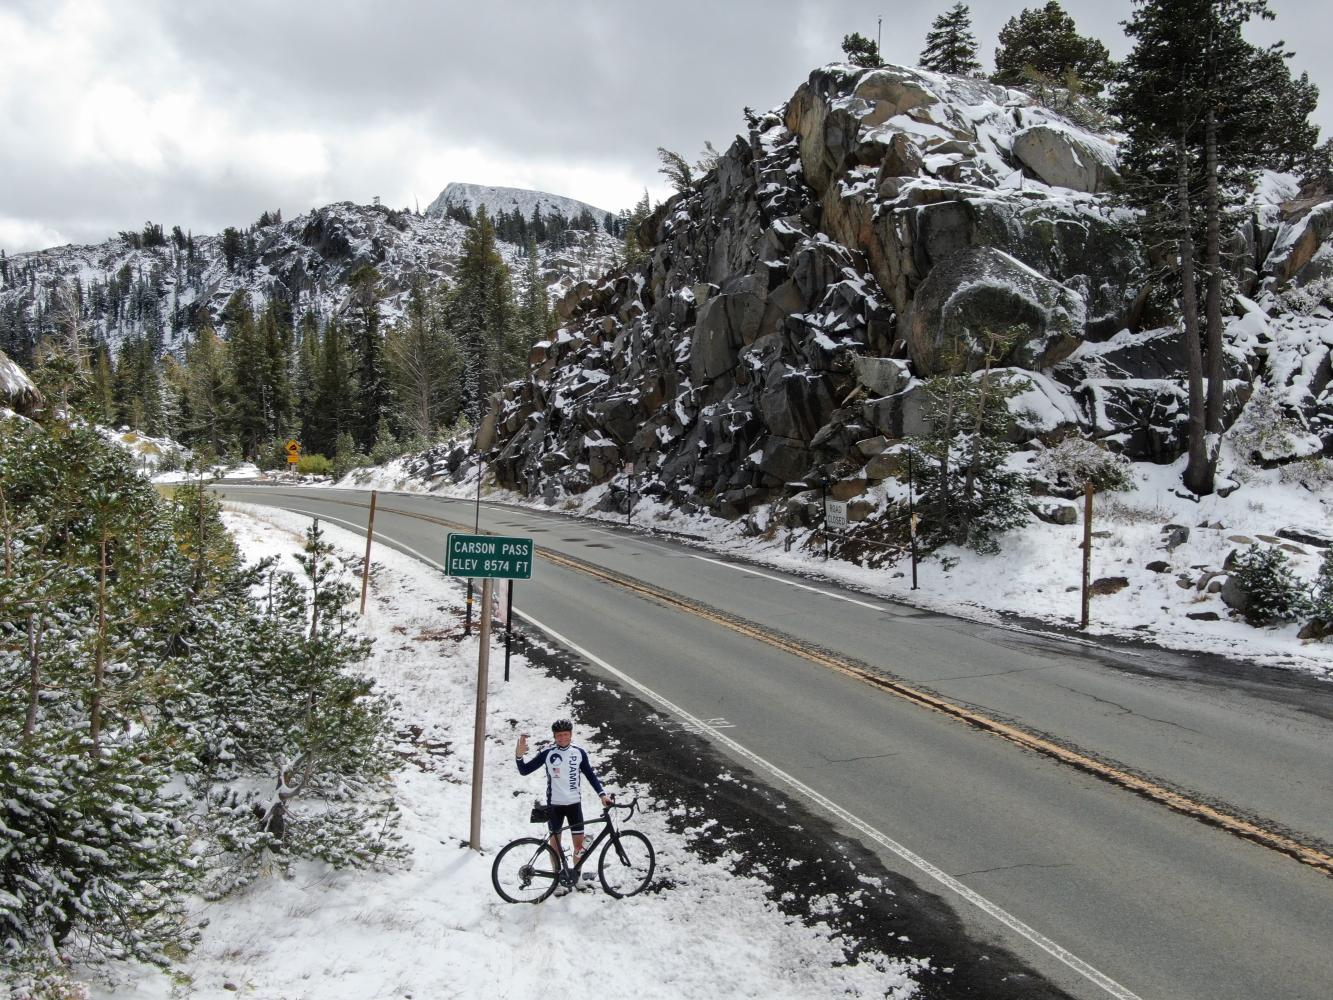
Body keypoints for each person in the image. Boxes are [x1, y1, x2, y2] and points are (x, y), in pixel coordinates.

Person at [516, 718, 612, 889]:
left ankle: (577, 876)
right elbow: (524, 770)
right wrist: (519, 755)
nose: (562, 738)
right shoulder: (548, 753)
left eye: (565, 735)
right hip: (555, 806)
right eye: (559, 735)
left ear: (571, 735)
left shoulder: (579, 753)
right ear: (554, 736)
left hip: (574, 805)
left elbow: (590, 775)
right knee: (555, 847)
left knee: (579, 846)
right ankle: (556, 881)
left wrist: (602, 795)